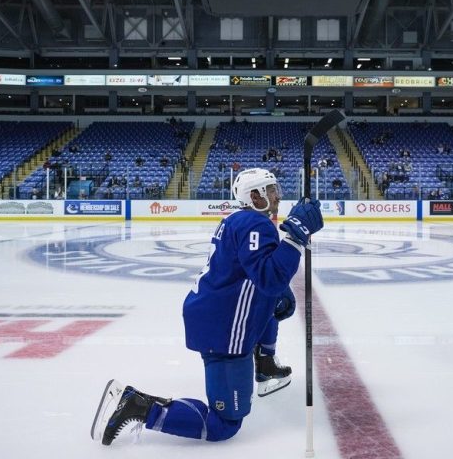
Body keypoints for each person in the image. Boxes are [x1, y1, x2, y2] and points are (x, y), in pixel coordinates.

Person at [91, 168, 324, 446]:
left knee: (273, 304)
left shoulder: (239, 220)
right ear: (255, 195)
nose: (278, 196)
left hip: (211, 313)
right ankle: (138, 406)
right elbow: (269, 278)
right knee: (223, 424)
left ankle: (264, 363)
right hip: (224, 328)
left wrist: (280, 290)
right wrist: (296, 237)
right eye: (271, 190)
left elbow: (245, 270)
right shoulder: (255, 224)